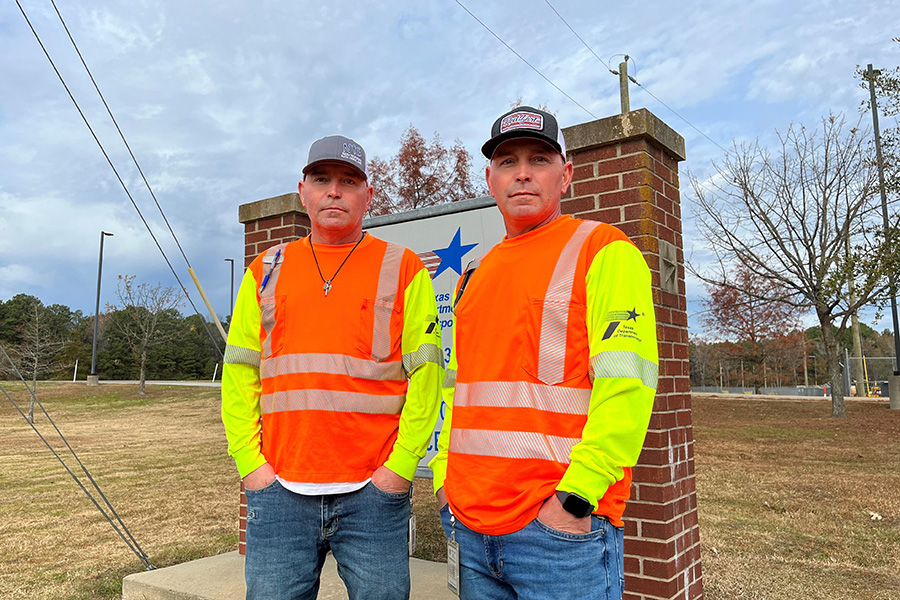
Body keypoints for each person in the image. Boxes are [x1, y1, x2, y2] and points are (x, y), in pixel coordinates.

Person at [430, 106, 658, 599]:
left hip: (558, 535)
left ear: (566, 174)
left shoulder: (603, 250)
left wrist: (575, 499)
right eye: (508, 161)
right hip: (470, 527)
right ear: (490, 180)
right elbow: (460, 390)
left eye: (539, 158)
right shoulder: (476, 275)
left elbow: (628, 386)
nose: (524, 172)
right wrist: (444, 480)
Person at [222, 134, 444, 600]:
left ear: (368, 194)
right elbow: (240, 373)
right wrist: (250, 465)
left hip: (373, 497)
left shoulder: (402, 267)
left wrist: (400, 468)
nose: (334, 191)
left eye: (348, 181)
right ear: (302, 191)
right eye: (322, 179)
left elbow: (427, 378)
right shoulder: (265, 269)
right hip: (278, 491)